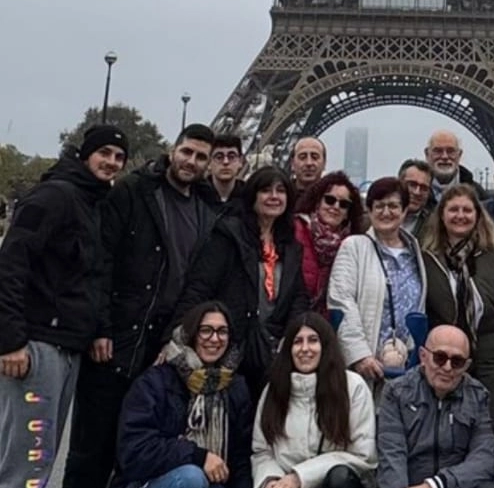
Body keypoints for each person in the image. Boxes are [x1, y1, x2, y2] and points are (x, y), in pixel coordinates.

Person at [64, 123, 216, 488]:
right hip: (117, 337)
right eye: (187, 152)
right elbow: (102, 261)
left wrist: (174, 338)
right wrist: (100, 327)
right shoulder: (134, 191)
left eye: (200, 157)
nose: (191, 161)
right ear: (173, 148)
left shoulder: (206, 209)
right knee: (91, 448)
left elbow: (193, 283)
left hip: (159, 345)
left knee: (136, 450)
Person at [0, 125, 127, 488]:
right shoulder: (55, 196)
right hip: (40, 345)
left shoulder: (92, 202)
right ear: (85, 154)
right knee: (28, 461)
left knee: (37, 458)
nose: (112, 162)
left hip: (67, 345)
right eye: (104, 153)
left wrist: (99, 328)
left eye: (119, 157)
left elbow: (92, 276)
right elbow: (10, 265)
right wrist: (9, 339)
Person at [176, 166, 308, 397]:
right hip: (231, 345)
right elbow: (201, 287)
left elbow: (297, 296)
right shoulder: (228, 236)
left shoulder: (291, 247)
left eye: (281, 191)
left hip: (273, 350)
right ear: (252, 196)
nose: (274, 197)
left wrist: (290, 335)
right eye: (266, 190)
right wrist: (177, 334)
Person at [421, 183, 494, 436]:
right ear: (441, 215)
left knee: (491, 430)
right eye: (453, 210)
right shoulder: (427, 257)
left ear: (478, 215)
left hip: (493, 358)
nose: (460, 216)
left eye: (467, 210)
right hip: (444, 360)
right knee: (447, 430)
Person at [114, 302, 252, 488]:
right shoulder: (156, 381)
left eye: (222, 332)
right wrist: (198, 456)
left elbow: (240, 459)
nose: (214, 338)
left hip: (215, 484)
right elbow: (134, 450)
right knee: (191, 477)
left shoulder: (235, 387)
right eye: (206, 330)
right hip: (152, 480)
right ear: (191, 334)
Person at [252, 313, 377, 488]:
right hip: (284, 482)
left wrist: (300, 477)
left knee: (340, 477)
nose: (305, 348)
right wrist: (271, 481)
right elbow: (262, 451)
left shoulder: (353, 387)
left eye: (313, 340)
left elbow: (363, 456)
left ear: (325, 346)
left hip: (332, 483)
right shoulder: (273, 389)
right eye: (297, 342)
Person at [377, 325, 494, 488]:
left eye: (457, 362)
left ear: (467, 365)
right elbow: (391, 456)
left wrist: (436, 484)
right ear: (423, 356)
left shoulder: (478, 396)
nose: (447, 368)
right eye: (440, 358)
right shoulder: (396, 393)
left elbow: (484, 460)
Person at [329, 177, 427, 385]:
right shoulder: (354, 247)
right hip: (364, 367)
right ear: (369, 210)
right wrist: (359, 355)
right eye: (379, 206)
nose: (386, 212)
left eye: (393, 206)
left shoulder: (415, 253)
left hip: (406, 367)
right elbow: (342, 301)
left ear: (405, 210)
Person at [294, 171, 364, 318]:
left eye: (344, 204)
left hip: (330, 326)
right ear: (318, 202)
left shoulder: (354, 244)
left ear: (348, 213)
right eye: (330, 200)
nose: (336, 207)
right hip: (293, 320)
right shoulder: (295, 229)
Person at [424, 130, 487, 208]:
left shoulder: (479, 195)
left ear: (459, 155)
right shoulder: (415, 193)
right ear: (427, 154)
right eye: (438, 151)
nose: (445, 157)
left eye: (450, 151)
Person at [202, 133, 246, 214]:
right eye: (219, 157)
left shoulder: (250, 198)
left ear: (241, 161)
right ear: (208, 163)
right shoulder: (196, 196)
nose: (226, 162)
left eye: (231, 157)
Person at [398, 159, 434, 236]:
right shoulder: (378, 215)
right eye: (412, 185)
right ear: (398, 183)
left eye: (424, 188)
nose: (417, 192)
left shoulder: (434, 225)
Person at [291, 136, 327, 204]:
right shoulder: (281, 196)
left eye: (315, 157)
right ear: (292, 163)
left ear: (324, 163)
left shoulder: (334, 199)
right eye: (302, 157)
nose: (309, 163)